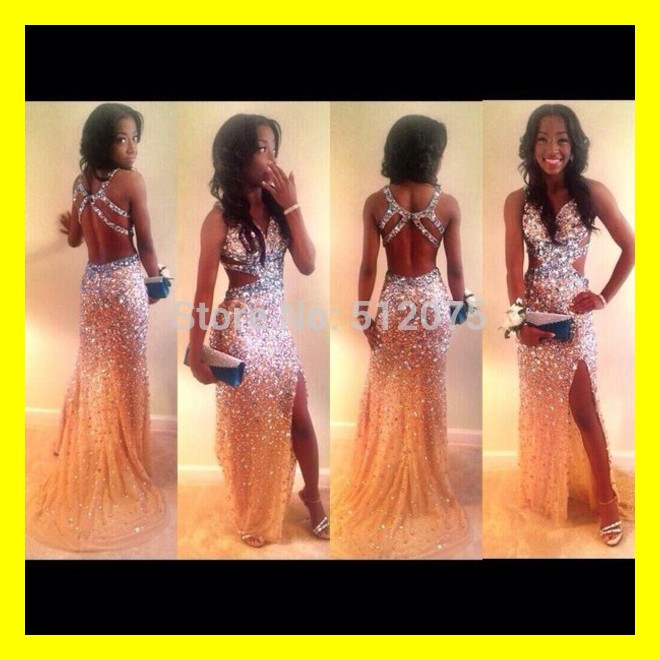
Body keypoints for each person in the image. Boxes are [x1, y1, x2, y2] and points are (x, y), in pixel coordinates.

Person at [27, 103, 166, 551]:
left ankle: (91, 441)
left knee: (94, 367)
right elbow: (146, 244)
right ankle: (121, 454)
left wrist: (72, 222)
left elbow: (75, 240)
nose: (132, 147)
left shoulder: (80, 180)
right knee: (125, 371)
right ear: (102, 140)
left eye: (135, 138)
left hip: (93, 286)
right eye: (122, 138)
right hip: (124, 285)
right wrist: (156, 284)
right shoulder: (131, 182)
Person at [188, 113, 329, 548]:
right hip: (239, 329)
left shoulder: (280, 209)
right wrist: (195, 351)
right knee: (250, 428)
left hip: (275, 328)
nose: (272, 158)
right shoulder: (218, 218)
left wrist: (293, 206)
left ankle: (312, 496)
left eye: (274, 149)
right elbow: (203, 291)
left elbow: (307, 263)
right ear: (238, 155)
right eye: (263, 148)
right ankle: (254, 507)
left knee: (299, 417)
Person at [332, 115, 469, 558]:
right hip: (430, 304)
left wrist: (363, 313)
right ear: (430, 153)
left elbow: (368, 266)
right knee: (426, 391)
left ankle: (390, 470)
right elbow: (455, 270)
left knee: (390, 390)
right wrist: (459, 306)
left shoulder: (377, 202)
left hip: (394, 303)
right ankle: (423, 476)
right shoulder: (447, 205)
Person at [503, 104, 635, 546]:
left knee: (583, 411)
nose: (552, 148)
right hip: (535, 320)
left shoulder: (593, 193)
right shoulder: (517, 201)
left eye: (561, 139)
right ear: (531, 146)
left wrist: (603, 296)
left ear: (574, 146)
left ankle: (607, 501)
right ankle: (551, 485)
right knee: (542, 409)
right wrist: (518, 324)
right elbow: (512, 270)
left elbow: (632, 247)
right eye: (542, 139)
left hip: (574, 319)